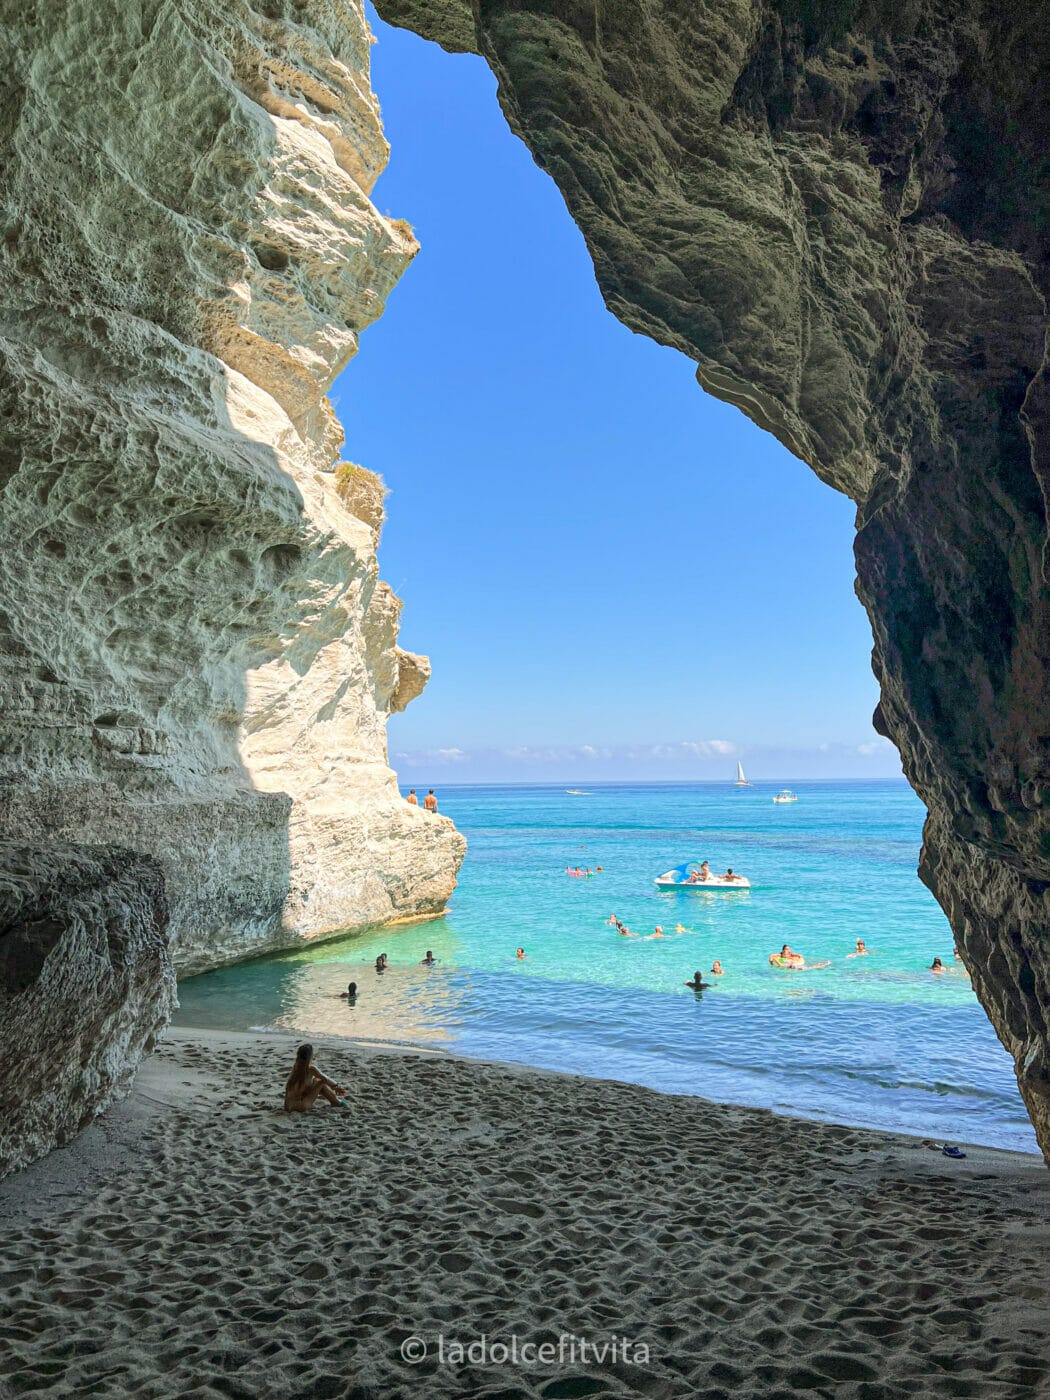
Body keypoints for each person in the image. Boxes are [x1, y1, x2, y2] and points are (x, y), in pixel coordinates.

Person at [284, 1044, 347, 1112]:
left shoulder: (295, 1068)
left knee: (315, 1081)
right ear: (310, 1056)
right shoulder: (310, 1069)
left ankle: (335, 1101)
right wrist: (336, 1086)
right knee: (321, 1082)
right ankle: (336, 1102)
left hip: (288, 1106)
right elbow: (326, 1079)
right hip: (301, 1106)